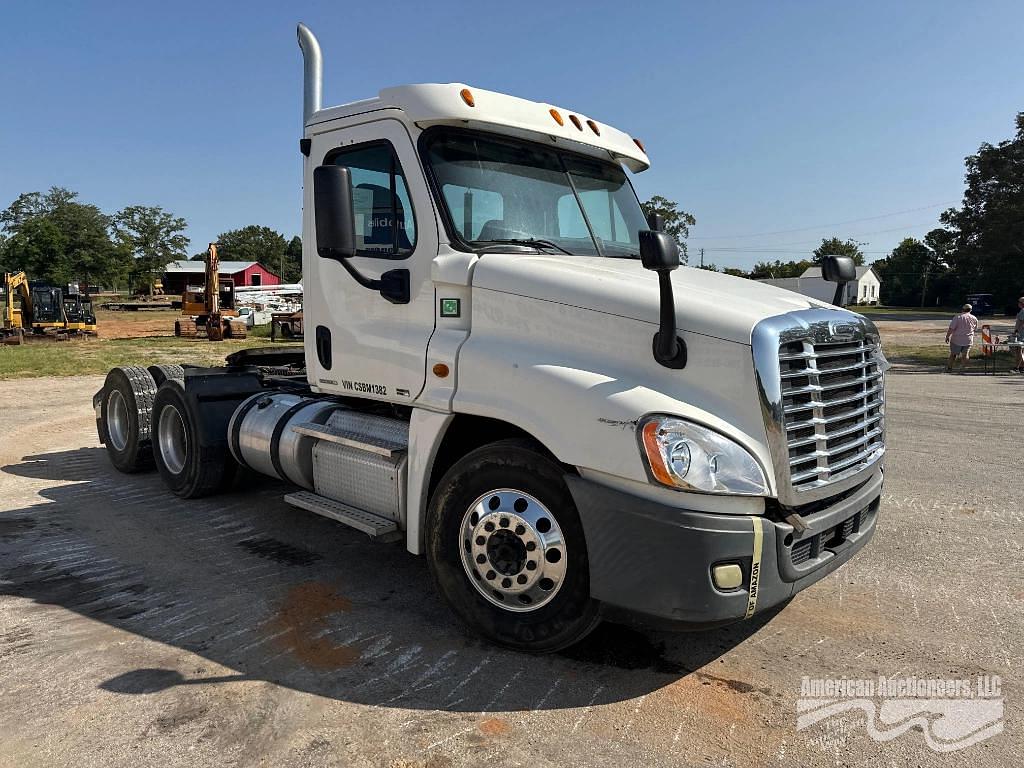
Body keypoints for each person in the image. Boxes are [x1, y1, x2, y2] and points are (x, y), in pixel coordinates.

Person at [945, 303, 979, 373]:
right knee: (965, 355)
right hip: (968, 340)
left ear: (962, 309)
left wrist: (947, 336)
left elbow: (951, 328)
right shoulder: (974, 318)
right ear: (971, 310)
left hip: (956, 339)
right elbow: (975, 329)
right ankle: (963, 368)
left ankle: (949, 368)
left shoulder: (957, 317)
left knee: (953, 354)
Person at [1013, 296, 1024, 374]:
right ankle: (1021, 367)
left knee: (1019, 351)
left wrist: (1016, 331)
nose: (1018, 303)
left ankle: (1017, 367)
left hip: (1021, 334)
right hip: (1021, 333)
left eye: (1019, 302)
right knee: (1021, 351)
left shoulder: (1023, 311)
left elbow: (1021, 322)